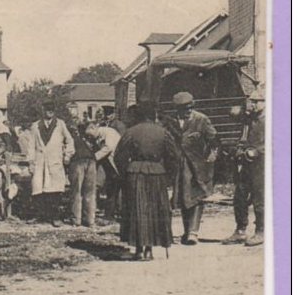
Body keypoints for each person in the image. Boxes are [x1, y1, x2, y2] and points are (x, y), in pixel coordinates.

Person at [113, 102, 179, 260]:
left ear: (138, 115)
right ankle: (150, 249)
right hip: (157, 173)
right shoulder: (163, 132)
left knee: (137, 210)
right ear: (153, 115)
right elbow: (173, 157)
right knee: (155, 211)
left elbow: (119, 156)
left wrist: (126, 172)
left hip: (135, 173)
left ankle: (138, 249)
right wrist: (168, 175)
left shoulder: (131, 132)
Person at [168, 92, 218, 245]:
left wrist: (212, 156)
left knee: (196, 195)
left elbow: (214, 140)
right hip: (178, 164)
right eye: (184, 109)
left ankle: (193, 233)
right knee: (184, 197)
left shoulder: (201, 119)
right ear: (177, 109)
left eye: (190, 108)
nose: (188, 111)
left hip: (197, 164)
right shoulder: (170, 121)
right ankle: (186, 231)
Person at [223, 88, 265, 247]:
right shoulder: (250, 118)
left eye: (257, 101)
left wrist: (257, 151)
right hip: (247, 162)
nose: (253, 104)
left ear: (265, 103)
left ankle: (261, 231)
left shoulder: (269, 120)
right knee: (240, 195)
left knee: (259, 198)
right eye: (251, 101)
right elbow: (233, 114)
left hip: (262, 163)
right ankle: (240, 230)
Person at [27, 101, 74, 226]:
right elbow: (31, 145)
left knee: (55, 190)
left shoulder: (60, 124)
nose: (49, 111)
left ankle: (55, 217)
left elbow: (69, 140)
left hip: (55, 161)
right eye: (47, 109)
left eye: (51, 109)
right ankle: (39, 216)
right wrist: (31, 162)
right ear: (43, 110)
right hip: (40, 161)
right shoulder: (35, 126)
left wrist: (67, 155)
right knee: (38, 189)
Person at [86, 121, 122, 222]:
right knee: (111, 190)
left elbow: (108, 148)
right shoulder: (98, 137)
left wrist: (94, 157)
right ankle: (109, 215)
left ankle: (117, 213)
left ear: (94, 128)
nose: (90, 137)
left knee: (117, 189)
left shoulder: (108, 132)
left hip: (117, 164)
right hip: (108, 165)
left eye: (90, 135)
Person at [67, 121, 97, 228]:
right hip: (91, 161)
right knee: (90, 191)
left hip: (77, 161)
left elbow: (68, 153)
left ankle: (76, 219)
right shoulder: (90, 140)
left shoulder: (72, 140)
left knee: (76, 190)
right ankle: (90, 219)